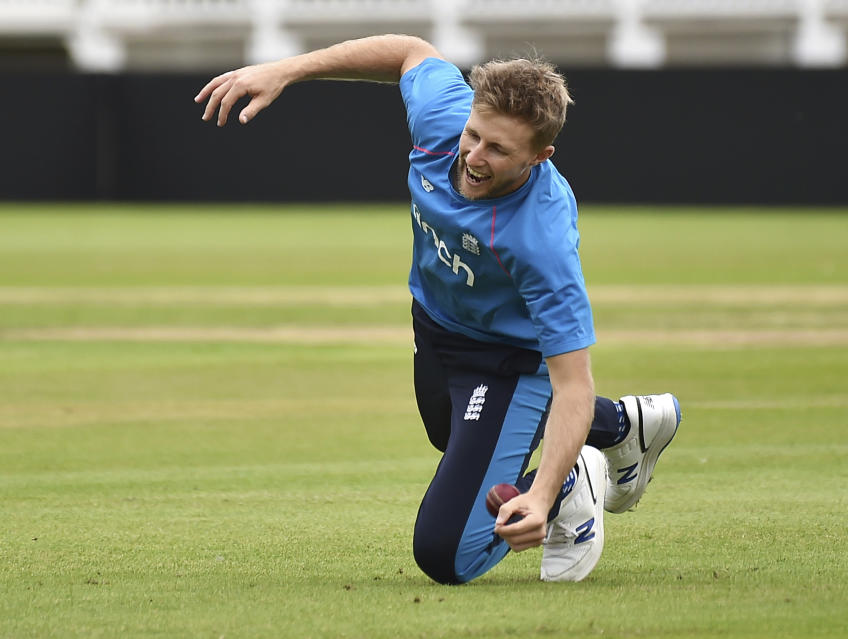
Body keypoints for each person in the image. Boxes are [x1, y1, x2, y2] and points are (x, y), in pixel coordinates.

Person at [195, 34, 681, 584]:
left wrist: (541, 494)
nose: (473, 157)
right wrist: (287, 70)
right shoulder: (444, 121)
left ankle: (572, 483)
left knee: (446, 553)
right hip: (435, 326)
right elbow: (410, 51)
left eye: (499, 150)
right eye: (474, 135)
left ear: (540, 156)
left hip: (508, 358)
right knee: (450, 438)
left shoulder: (538, 241)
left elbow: (571, 382)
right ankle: (622, 425)